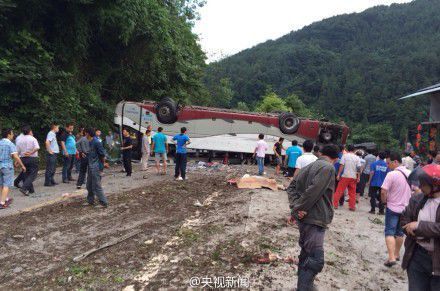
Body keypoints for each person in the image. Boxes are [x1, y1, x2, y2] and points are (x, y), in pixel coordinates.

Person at [287, 144, 339, 291]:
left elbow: (291, 187)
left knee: (306, 254)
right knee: (315, 259)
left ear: (321, 153)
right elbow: (313, 191)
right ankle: (303, 288)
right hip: (315, 218)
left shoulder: (308, 167)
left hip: (305, 219)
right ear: (336, 157)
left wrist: (295, 208)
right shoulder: (328, 168)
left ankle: (304, 287)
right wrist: (298, 208)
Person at [400, 164, 440, 291]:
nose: (420, 186)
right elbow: (404, 218)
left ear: (435, 184)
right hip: (417, 255)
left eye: (423, 183)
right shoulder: (417, 199)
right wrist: (408, 228)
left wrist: (418, 226)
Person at [380, 152, 411, 267]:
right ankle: (397, 254)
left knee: (389, 232)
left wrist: (384, 202)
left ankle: (391, 257)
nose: (388, 165)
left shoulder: (391, 174)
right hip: (406, 209)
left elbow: (383, 191)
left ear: (395, 162)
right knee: (400, 233)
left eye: (389, 163)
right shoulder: (410, 173)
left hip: (392, 207)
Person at [0, 128, 26, 209]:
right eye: (12, 133)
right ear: (8, 134)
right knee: (6, 185)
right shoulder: (10, 144)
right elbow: (16, 156)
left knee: (1, 184)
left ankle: (4, 198)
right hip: (7, 166)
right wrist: (22, 165)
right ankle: (2, 203)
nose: (13, 135)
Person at [85, 128, 108, 207]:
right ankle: (90, 200)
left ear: (88, 134)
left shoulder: (97, 142)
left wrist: (103, 165)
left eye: (85, 133)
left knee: (97, 185)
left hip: (96, 167)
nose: (85, 135)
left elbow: (102, 155)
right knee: (89, 185)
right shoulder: (90, 142)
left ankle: (104, 202)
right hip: (91, 166)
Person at [333, 144, 361, 211]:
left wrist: (338, 174)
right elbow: (359, 169)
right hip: (353, 177)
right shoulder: (357, 158)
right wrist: (358, 177)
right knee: (352, 193)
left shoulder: (344, 156)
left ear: (347, 149)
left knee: (339, 191)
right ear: (354, 150)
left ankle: (335, 205)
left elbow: (341, 166)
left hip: (345, 176)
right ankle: (352, 207)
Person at [15, 125, 40, 196]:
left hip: (23, 159)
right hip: (32, 158)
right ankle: (24, 188)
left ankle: (31, 190)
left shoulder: (19, 140)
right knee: (33, 174)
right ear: (30, 131)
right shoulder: (32, 138)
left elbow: (17, 152)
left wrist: (17, 161)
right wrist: (30, 153)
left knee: (26, 174)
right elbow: (37, 147)